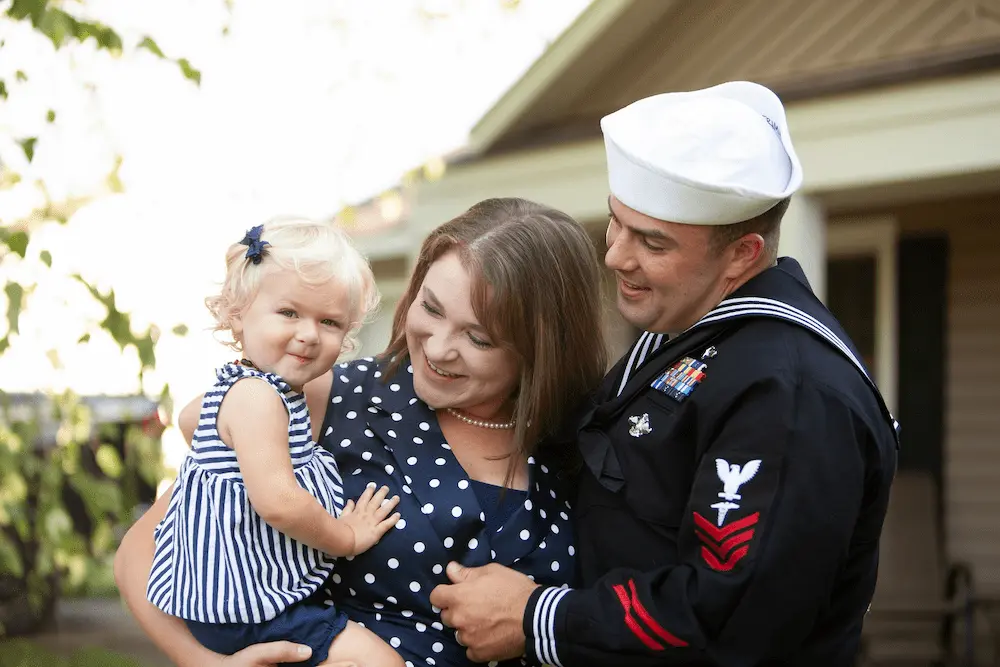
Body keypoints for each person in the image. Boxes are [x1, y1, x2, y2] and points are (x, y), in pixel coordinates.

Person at [429, 81, 900, 666]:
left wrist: (536, 618)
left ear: (741, 254)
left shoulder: (790, 392)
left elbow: (734, 618)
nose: (615, 256)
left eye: (652, 242)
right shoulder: (686, 333)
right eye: (615, 223)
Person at [114, 198, 609, 667]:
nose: (437, 349)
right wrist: (200, 661)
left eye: (477, 337)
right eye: (431, 309)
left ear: (541, 349)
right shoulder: (319, 395)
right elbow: (148, 551)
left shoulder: (583, 440)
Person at [142, 218, 404, 667]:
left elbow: (191, 421)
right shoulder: (258, 398)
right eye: (289, 313)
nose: (308, 333)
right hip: (248, 608)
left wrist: (227, 461)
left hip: (235, 599)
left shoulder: (251, 390)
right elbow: (278, 503)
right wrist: (346, 536)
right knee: (382, 664)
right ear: (238, 314)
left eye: (329, 322)